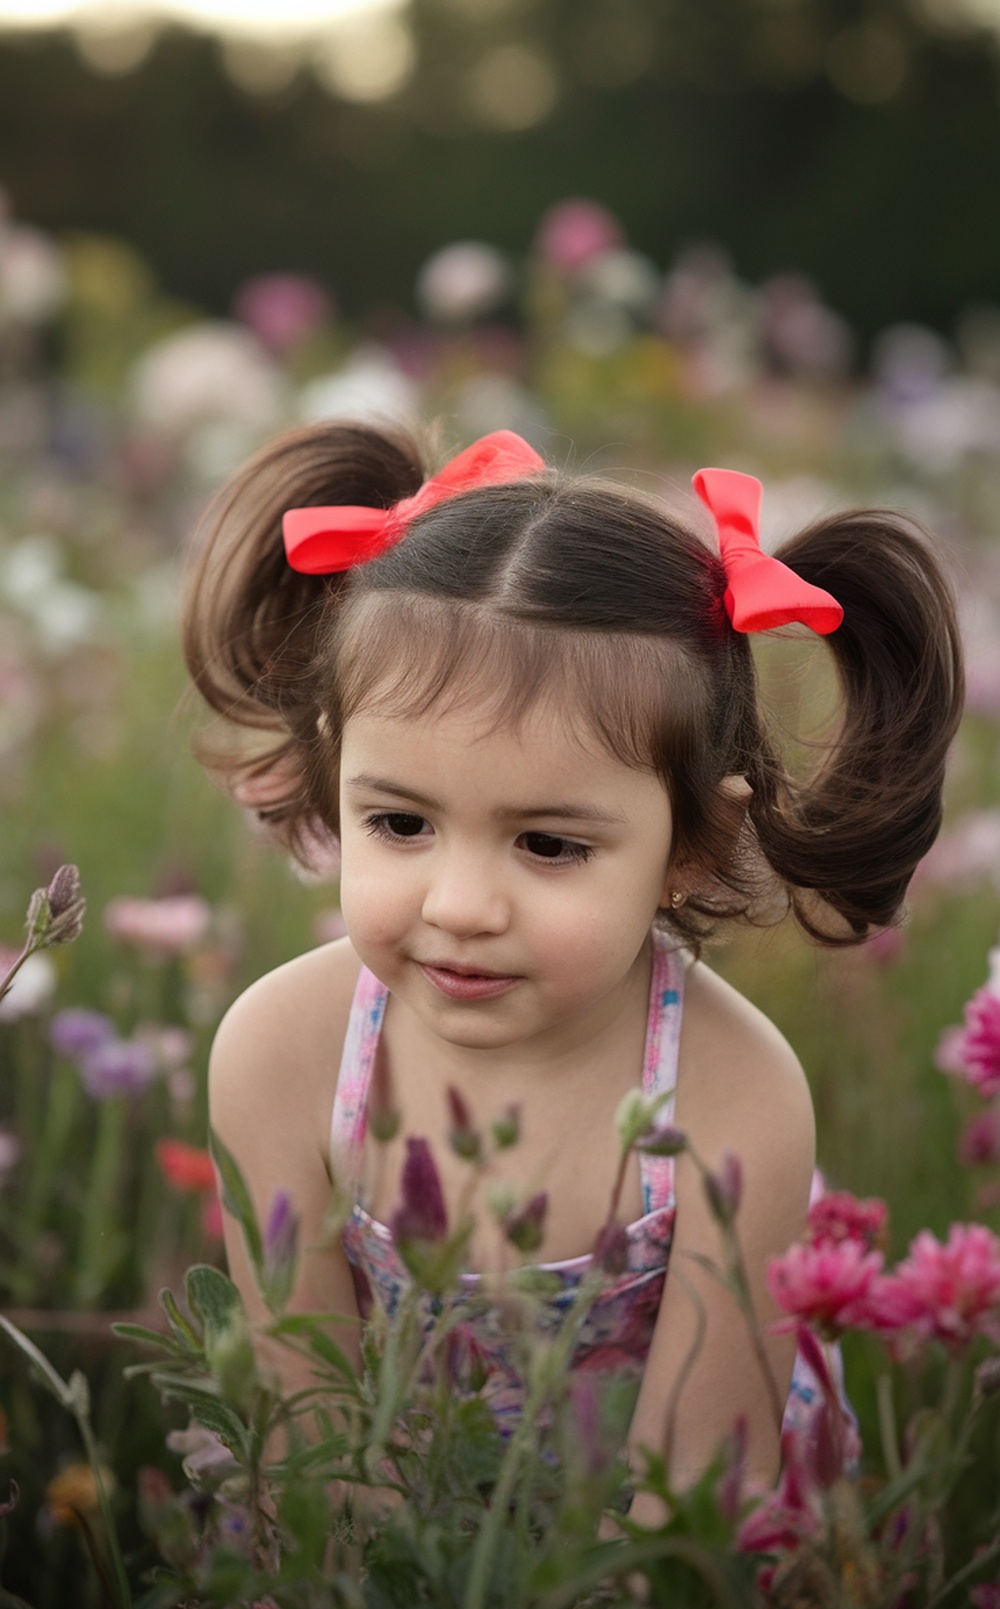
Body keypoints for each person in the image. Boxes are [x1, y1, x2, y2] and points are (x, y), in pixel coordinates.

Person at [182, 424, 963, 1523]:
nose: (459, 906)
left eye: (548, 845)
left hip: (646, 1605)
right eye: (400, 821)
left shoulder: (731, 1096)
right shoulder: (283, 1053)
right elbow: (305, 1447)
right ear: (334, 765)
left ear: (688, 845)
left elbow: (687, 1510)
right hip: (379, 1590)